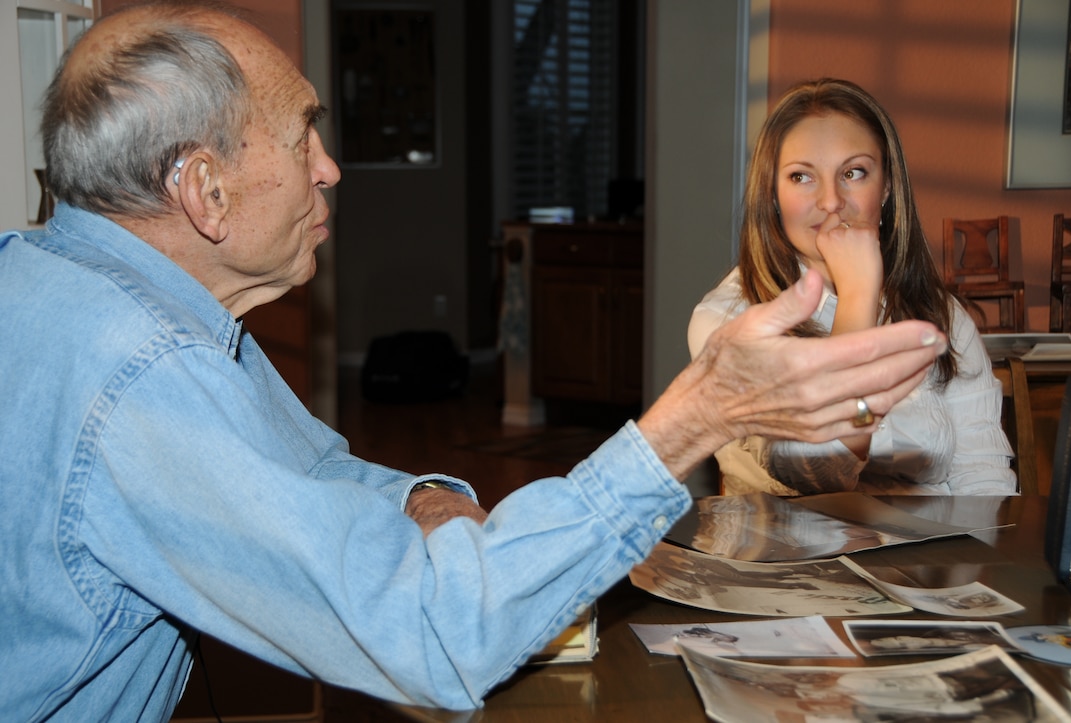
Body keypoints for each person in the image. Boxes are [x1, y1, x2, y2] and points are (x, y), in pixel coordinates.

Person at [0, 6, 947, 719]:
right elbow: (435, 635)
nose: (329, 168)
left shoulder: (71, 282)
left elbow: (318, 469)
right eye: (302, 136)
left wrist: (426, 493)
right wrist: (692, 418)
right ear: (203, 190)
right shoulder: (144, 370)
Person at [688, 78, 1015, 497]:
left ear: (888, 187)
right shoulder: (728, 321)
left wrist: (978, 560)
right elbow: (820, 470)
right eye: (802, 177)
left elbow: (984, 476)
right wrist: (858, 295)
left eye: (853, 172)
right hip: (791, 559)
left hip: (930, 558)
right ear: (772, 195)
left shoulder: (940, 313)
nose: (830, 201)